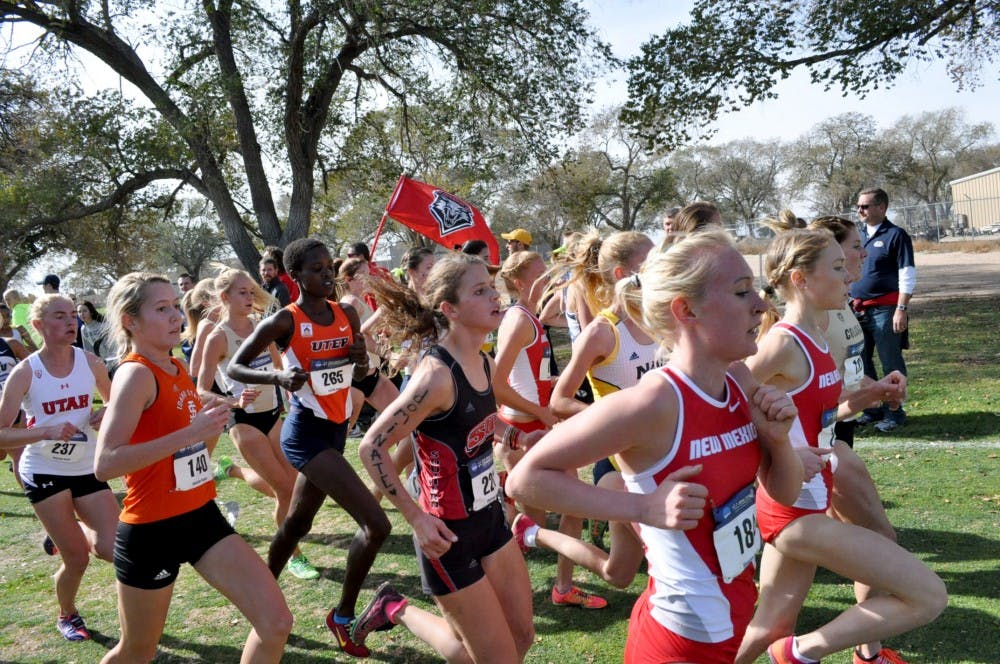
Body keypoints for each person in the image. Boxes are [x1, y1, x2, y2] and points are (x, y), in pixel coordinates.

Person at [506, 230, 806, 663]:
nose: (761, 304)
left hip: (732, 620)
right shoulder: (654, 402)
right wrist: (641, 509)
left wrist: (779, 442)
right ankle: (533, 535)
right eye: (742, 292)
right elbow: (524, 480)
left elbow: (784, 493)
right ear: (686, 310)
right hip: (680, 639)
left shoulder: (738, 380)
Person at [735, 228, 946, 664]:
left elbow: (821, 419)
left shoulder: (819, 335)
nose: (850, 276)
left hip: (813, 496)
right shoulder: (782, 343)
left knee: (769, 626)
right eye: (836, 268)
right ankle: (800, 653)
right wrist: (779, 455)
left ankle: (782, 649)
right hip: (791, 510)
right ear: (800, 279)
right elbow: (724, 405)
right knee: (928, 595)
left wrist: (868, 397)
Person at [93, 272, 291, 663]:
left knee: (276, 622)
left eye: (175, 307)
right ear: (130, 321)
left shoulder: (174, 366)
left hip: (201, 515)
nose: (176, 317)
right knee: (137, 652)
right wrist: (190, 433)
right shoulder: (136, 373)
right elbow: (105, 464)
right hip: (151, 530)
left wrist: (220, 406)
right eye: (161, 309)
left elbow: (183, 423)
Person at [355, 253, 535, 662]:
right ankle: (396, 610)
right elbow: (372, 447)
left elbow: (478, 419)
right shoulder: (434, 377)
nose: (495, 296)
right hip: (446, 537)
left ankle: (390, 608)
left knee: (521, 636)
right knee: (497, 658)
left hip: (490, 519)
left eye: (492, 287)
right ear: (449, 309)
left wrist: (513, 433)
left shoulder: (484, 363)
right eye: (480, 291)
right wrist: (415, 519)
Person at [226, 237, 390, 658]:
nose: (326, 274)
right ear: (294, 276)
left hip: (336, 430)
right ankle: (343, 616)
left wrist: (361, 358)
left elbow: (361, 369)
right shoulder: (284, 321)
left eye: (327, 267)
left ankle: (259, 594)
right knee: (377, 525)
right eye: (315, 270)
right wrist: (278, 379)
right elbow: (236, 366)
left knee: (297, 524)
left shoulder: (346, 313)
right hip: (304, 435)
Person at [514, 231, 659, 587]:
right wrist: (619, 423)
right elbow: (559, 401)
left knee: (619, 575)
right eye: (651, 262)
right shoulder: (603, 331)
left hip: (658, 454)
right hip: (618, 465)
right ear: (625, 274)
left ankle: (535, 534)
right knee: (671, 554)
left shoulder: (661, 323)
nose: (661, 268)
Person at [0, 294, 119, 642]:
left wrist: (104, 413)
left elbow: (115, 402)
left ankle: (69, 532)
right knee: (77, 559)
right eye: (59, 317)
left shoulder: (91, 362)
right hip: (44, 471)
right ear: (38, 326)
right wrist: (44, 430)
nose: (70, 322)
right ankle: (67, 614)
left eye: (72, 316)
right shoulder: (27, 372)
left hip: (86, 467)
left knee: (114, 550)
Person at [494, 249, 608, 610]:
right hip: (522, 432)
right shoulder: (518, 319)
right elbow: (497, 384)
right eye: (541, 275)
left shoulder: (531, 317)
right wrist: (540, 410)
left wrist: (554, 385)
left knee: (568, 510)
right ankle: (501, 592)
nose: (548, 280)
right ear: (519, 281)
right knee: (531, 523)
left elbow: (528, 376)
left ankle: (561, 588)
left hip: (540, 428)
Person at [196, 268, 319, 580]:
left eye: (251, 291)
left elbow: (278, 365)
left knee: (293, 485)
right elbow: (200, 390)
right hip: (245, 422)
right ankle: (293, 556)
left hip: (273, 415)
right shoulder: (218, 336)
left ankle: (232, 471)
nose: (250, 297)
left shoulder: (260, 326)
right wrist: (233, 402)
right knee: (285, 489)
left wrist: (293, 395)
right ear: (225, 297)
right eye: (242, 293)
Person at [850, 187, 915, 432]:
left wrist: (901, 308)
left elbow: (907, 273)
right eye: (858, 206)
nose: (860, 210)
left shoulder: (896, 235)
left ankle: (894, 413)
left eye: (865, 206)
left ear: (881, 207)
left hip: (886, 310)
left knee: (891, 363)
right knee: (860, 363)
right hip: (857, 310)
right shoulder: (857, 235)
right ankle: (872, 408)